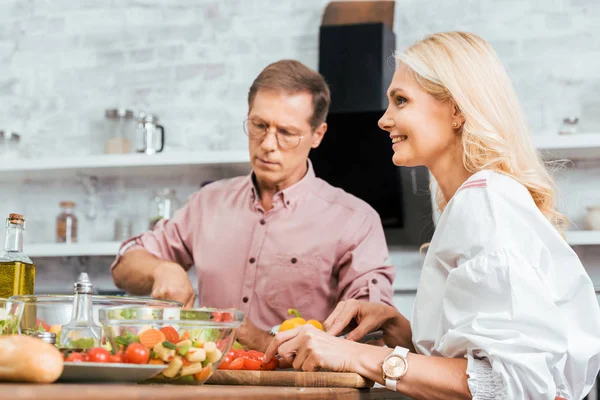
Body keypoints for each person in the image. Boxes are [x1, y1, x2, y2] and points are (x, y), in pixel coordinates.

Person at [264, 32, 600, 400]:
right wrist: (399, 328)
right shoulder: (473, 201)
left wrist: (355, 354)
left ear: (456, 110)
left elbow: (510, 385)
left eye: (401, 101)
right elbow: (472, 366)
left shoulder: (485, 203)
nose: (384, 120)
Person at [110, 59, 395, 352]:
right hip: (208, 386)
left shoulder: (355, 220)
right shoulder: (207, 203)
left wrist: (259, 339)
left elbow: (370, 330)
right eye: (259, 125)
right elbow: (125, 265)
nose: (268, 144)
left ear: (317, 135)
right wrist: (162, 269)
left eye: (286, 133)